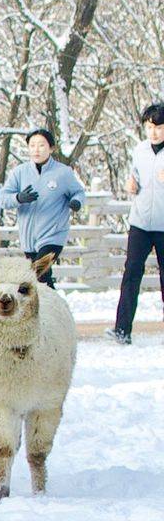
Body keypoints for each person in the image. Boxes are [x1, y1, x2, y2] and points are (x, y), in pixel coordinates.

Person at [0, 128, 86, 288]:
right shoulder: (19, 172)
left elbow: (79, 192)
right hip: (28, 238)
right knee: (40, 279)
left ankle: (51, 310)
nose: (36, 150)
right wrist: (18, 198)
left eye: (41, 145)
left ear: (51, 148)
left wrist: (76, 202)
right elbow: (2, 199)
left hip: (53, 235)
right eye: (32, 146)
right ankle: (50, 309)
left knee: (39, 273)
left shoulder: (62, 173)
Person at [112, 102, 164, 344]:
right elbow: (134, 178)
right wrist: (130, 184)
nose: (154, 132)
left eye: (159, 127)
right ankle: (122, 330)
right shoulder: (140, 150)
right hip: (140, 223)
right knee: (131, 273)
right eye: (149, 127)